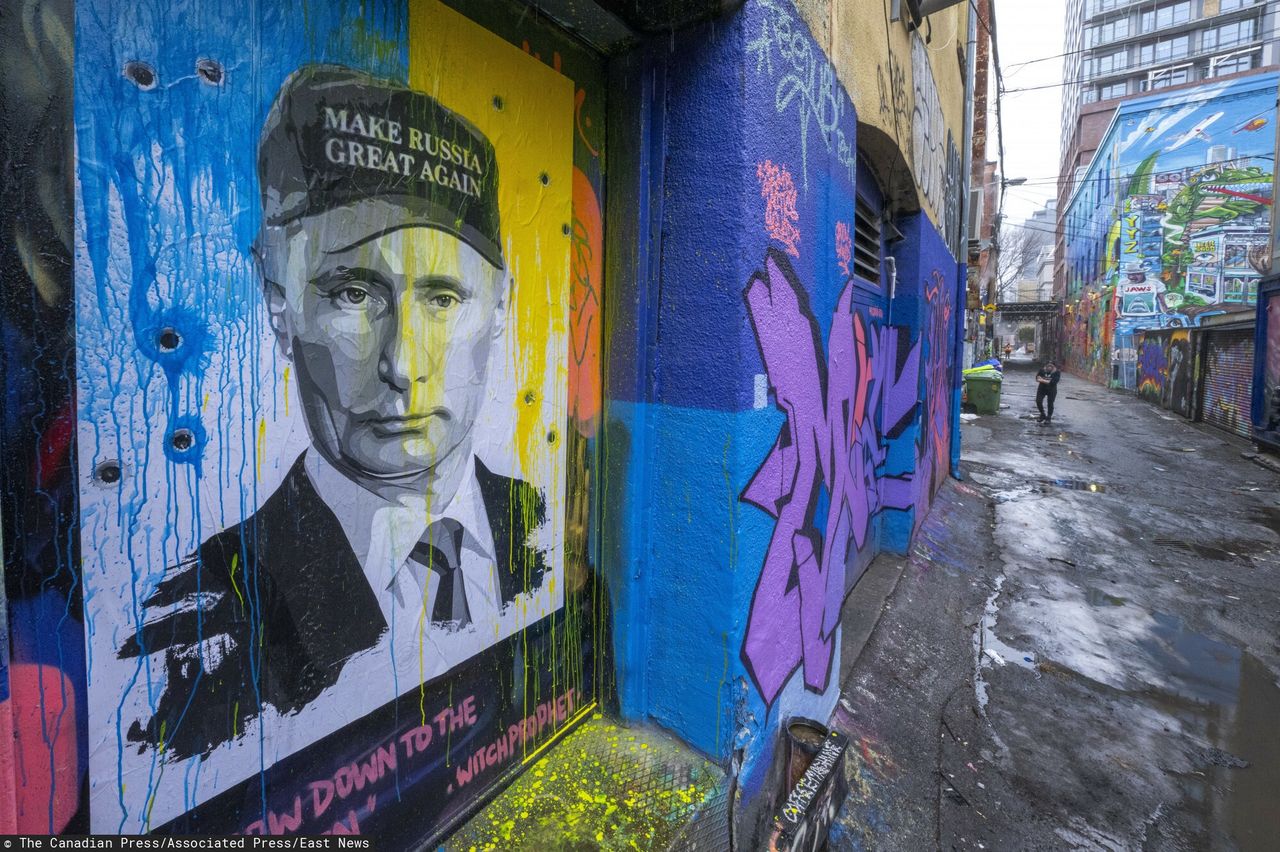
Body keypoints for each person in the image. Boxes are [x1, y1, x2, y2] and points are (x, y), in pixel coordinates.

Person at [117, 64, 551, 760]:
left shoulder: (542, 532)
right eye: (353, 294)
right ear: (277, 305)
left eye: (442, 298)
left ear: (500, 307)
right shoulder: (194, 640)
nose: (404, 366)